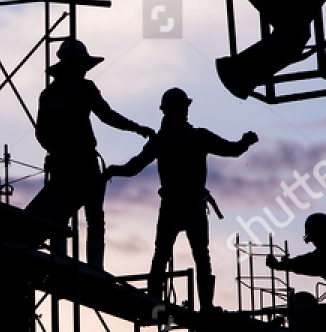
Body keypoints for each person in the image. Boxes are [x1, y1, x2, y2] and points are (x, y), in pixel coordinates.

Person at [106, 88, 257, 311]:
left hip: (184, 205)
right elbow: (134, 166)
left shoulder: (189, 138)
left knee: (184, 255)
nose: (184, 112)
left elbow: (231, 150)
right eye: (181, 108)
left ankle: (183, 303)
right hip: (181, 205)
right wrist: (115, 170)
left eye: (185, 108)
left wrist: (244, 143)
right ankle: (165, 301)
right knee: (174, 254)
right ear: (170, 111)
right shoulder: (180, 139)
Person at [27, 39, 155, 270]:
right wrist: (137, 128)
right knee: (91, 215)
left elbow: (41, 133)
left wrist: (55, 148)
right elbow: (107, 115)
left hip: (64, 162)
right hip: (81, 162)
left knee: (61, 213)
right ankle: (92, 267)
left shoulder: (49, 94)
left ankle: (63, 262)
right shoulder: (82, 88)